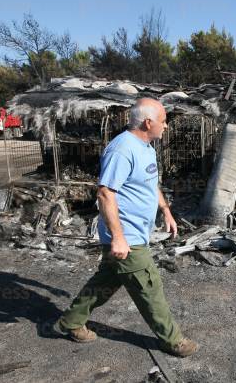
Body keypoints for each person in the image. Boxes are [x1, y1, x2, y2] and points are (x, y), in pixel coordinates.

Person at [54, 98, 198, 357]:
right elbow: (105, 193)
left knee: (106, 282)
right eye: (164, 122)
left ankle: (71, 322)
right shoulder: (121, 149)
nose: (166, 127)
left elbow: (150, 184)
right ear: (148, 122)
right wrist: (119, 238)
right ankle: (173, 340)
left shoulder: (147, 147)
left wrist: (165, 210)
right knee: (149, 287)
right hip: (127, 237)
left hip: (135, 234)